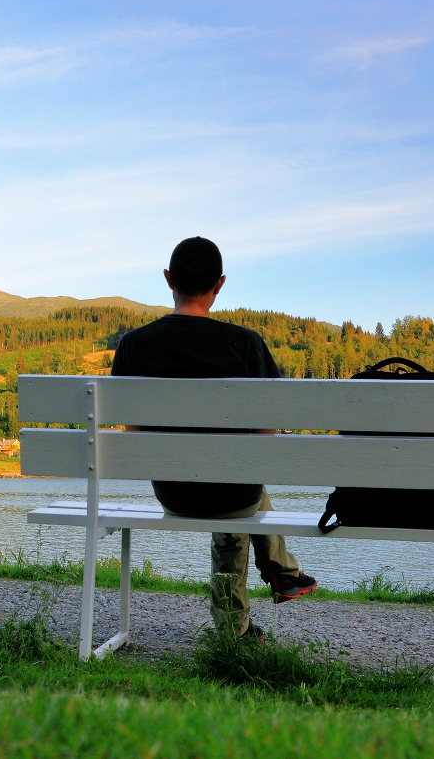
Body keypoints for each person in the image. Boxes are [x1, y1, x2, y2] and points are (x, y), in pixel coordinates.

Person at [110, 236, 317, 637]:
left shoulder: (134, 345)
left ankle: (269, 591)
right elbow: (267, 434)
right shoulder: (246, 343)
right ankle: (264, 594)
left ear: (169, 280)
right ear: (219, 285)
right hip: (233, 495)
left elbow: (130, 432)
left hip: (173, 492)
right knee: (241, 489)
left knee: (239, 482)